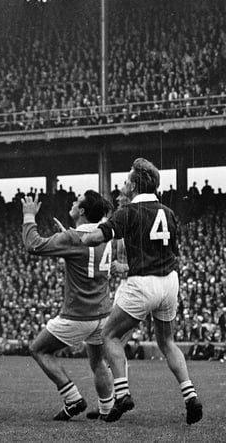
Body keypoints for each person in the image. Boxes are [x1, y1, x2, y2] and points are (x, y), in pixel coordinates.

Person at [75, 158, 203, 425]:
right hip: (169, 282)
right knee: (167, 343)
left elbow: (96, 237)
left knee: (108, 335)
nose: (124, 184)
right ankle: (190, 395)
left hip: (143, 284)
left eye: (126, 180)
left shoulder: (129, 211)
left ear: (133, 184)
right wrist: (126, 263)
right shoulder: (168, 212)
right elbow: (170, 251)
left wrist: (76, 236)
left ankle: (122, 393)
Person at [21, 192, 115, 421]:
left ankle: (72, 398)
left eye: (77, 201)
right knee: (97, 361)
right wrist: (66, 237)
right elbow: (85, 256)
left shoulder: (72, 237)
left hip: (79, 314)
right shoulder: (104, 235)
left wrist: (28, 216)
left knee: (39, 349)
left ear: (82, 211)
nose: (72, 203)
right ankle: (107, 409)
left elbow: (33, 245)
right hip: (103, 313)